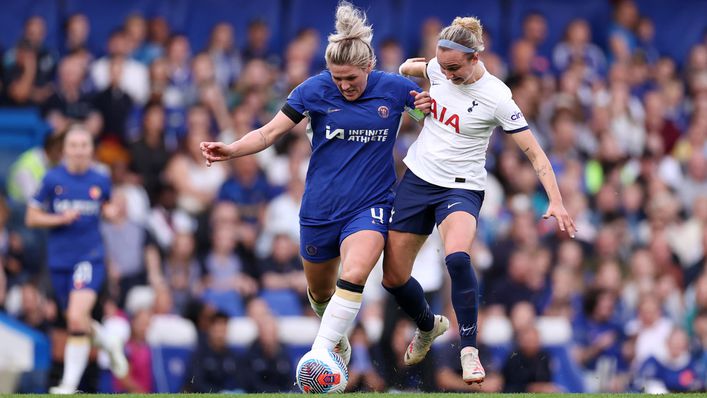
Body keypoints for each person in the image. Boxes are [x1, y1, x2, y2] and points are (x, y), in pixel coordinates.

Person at [200, 0, 430, 366]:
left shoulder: (395, 90)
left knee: (354, 273)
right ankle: (334, 338)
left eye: (351, 79)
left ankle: (320, 351)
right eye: (337, 78)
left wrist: (427, 105)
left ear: (369, 66)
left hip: (371, 204)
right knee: (320, 293)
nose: (344, 85)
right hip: (320, 208)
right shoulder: (313, 90)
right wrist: (232, 149)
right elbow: (268, 133)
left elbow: (428, 118)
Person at [383, 16, 577, 385]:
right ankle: (427, 327)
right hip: (418, 180)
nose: (447, 74)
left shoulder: (497, 96)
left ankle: (468, 350)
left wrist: (556, 200)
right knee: (393, 278)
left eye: (454, 68)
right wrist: (414, 99)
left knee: (457, 257)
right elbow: (406, 69)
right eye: (442, 67)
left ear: (473, 59)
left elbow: (536, 154)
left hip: (461, 187)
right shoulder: (439, 70)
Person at [25, 125, 128, 394]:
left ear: (91, 149)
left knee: (74, 316)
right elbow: (31, 217)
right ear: (65, 150)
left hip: (90, 257)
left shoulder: (100, 179)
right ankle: (108, 341)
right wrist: (59, 218)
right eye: (74, 145)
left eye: (84, 145)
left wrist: (114, 212)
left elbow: (107, 208)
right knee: (76, 320)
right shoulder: (51, 179)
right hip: (59, 261)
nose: (80, 151)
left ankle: (68, 386)